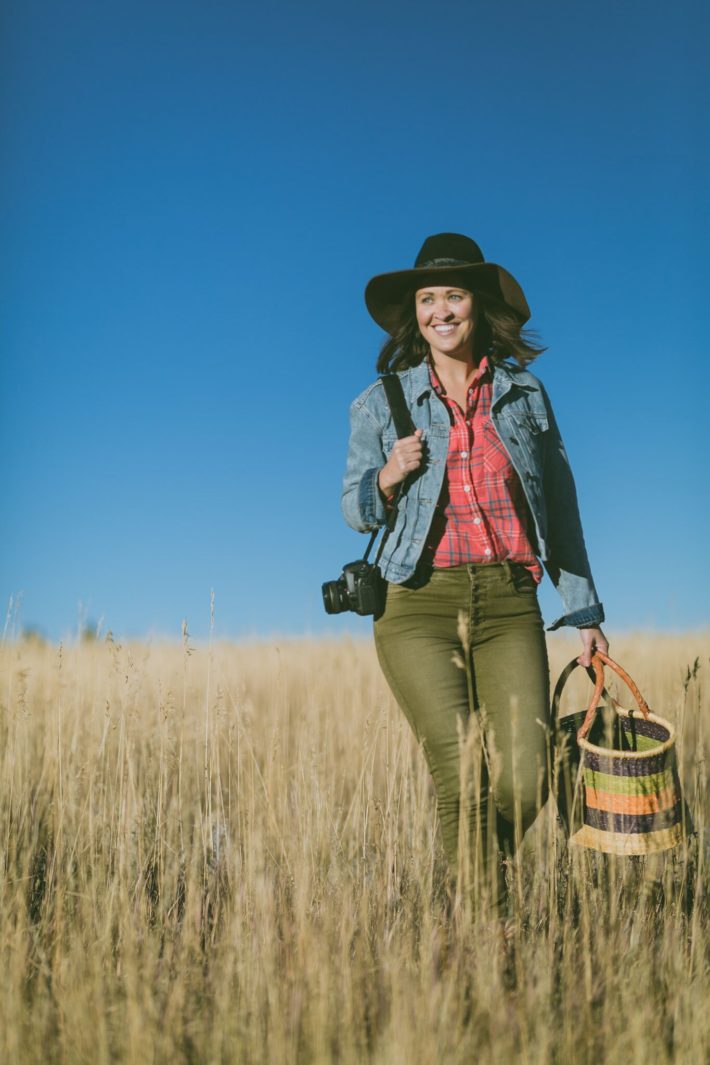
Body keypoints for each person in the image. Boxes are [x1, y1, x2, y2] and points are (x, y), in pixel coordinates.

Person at [341, 233, 608, 910]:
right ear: (415, 315)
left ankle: (464, 884)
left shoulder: (524, 395)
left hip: (510, 600)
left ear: (477, 305)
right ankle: (480, 939)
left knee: (524, 779)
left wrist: (585, 614)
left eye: (453, 295)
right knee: (462, 771)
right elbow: (354, 508)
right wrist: (389, 476)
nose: (440, 311)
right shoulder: (382, 401)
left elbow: (561, 506)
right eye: (427, 299)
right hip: (418, 606)